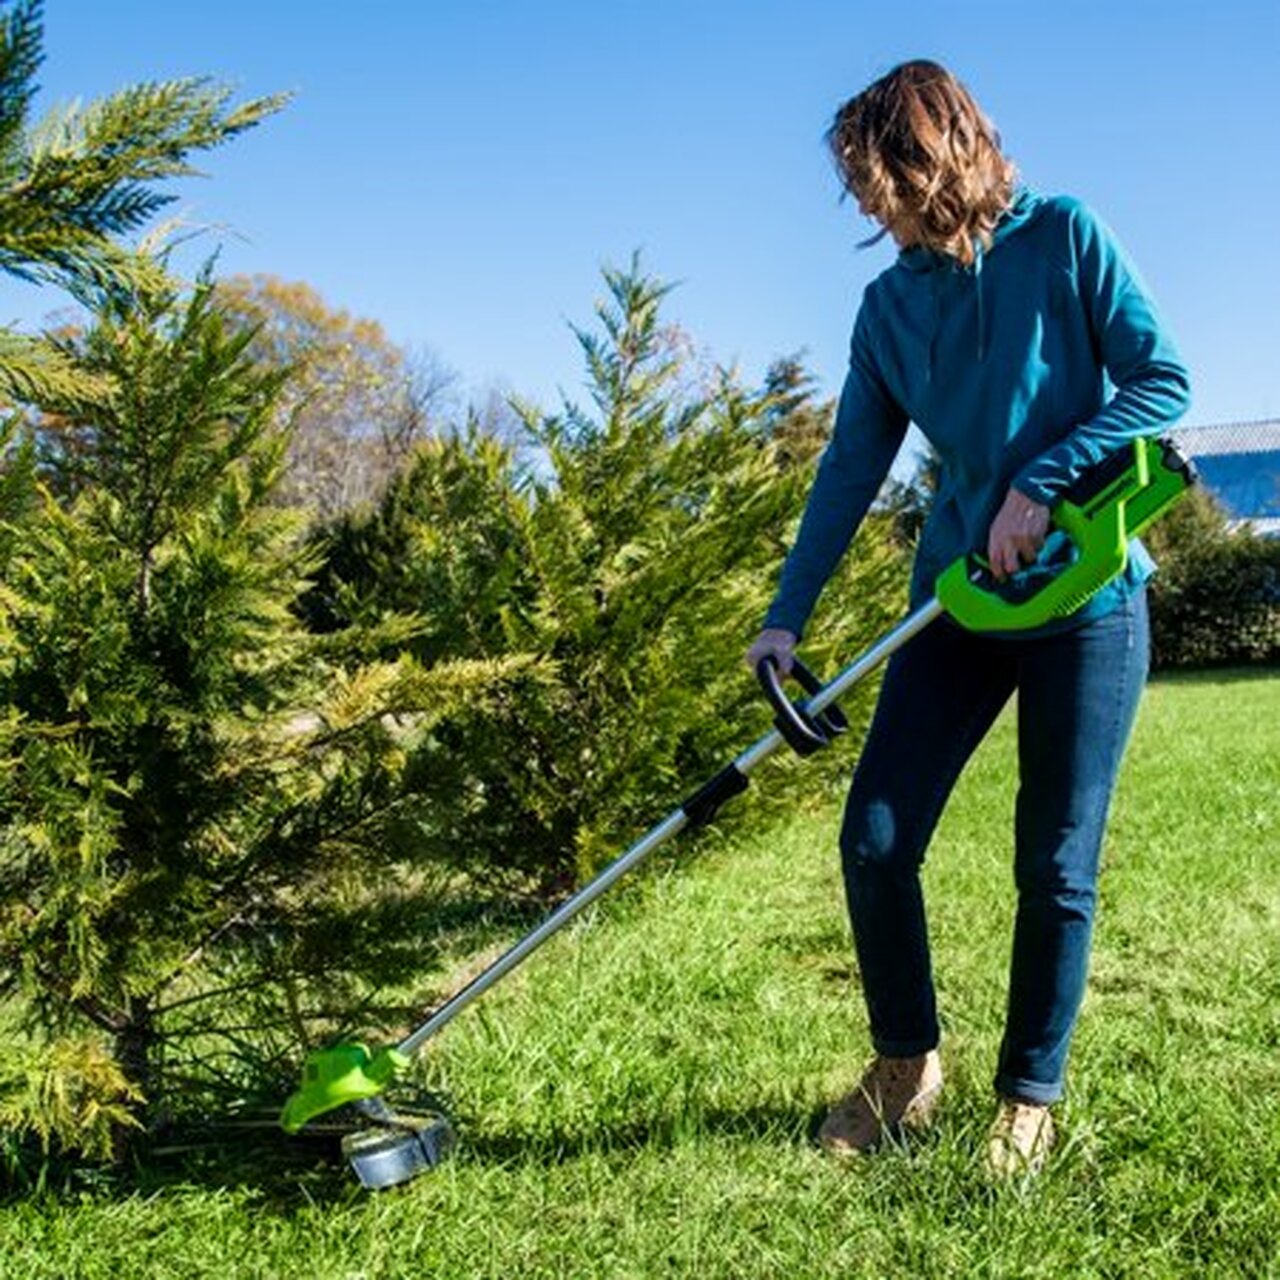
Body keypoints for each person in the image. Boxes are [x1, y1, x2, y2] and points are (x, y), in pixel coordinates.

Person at [745, 59, 1190, 1176]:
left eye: (872, 178)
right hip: (958, 599)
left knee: (1054, 862)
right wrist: (785, 617)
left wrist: (1043, 478)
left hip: (1087, 600)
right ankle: (906, 1068)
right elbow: (848, 470)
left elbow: (1161, 382)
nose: (862, 202)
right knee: (874, 838)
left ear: (930, 156)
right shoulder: (888, 306)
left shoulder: (1065, 238)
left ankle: (1027, 1098)